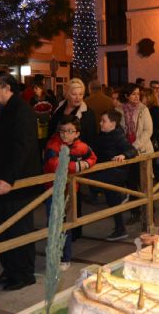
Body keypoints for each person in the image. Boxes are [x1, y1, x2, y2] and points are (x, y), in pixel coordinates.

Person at [0, 72, 41, 291]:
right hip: (3, 182)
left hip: (18, 183)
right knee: (5, 229)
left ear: (6, 88)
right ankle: (9, 270)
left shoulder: (21, 111)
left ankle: (24, 274)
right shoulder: (5, 110)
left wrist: (9, 178)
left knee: (19, 229)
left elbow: (22, 148)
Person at [44, 115, 96, 270]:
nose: (65, 135)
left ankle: (64, 257)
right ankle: (56, 255)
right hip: (53, 191)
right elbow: (55, 165)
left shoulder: (81, 146)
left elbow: (93, 157)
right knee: (55, 224)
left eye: (70, 131)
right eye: (62, 131)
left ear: (77, 133)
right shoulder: (53, 145)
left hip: (71, 191)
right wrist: (79, 166)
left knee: (67, 225)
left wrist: (84, 163)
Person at [47, 78, 95, 235]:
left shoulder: (87, 113)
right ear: (67, 93)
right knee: (56, 195)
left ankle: (74, 230)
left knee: (73, 195)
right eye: (74, 94)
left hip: (73, 158)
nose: (77, 97)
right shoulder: (60, 107)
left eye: (81, 94)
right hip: (55, 155)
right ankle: (58, 228)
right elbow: (52, 127)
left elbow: (89, 138)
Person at [91, 110, 138, 240]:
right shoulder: (104, 134)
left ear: (113, 123)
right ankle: (120, 228)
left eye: (103, 121)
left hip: (114, 174)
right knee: (112, 201)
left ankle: (120, 229)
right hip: (108, 173)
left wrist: (124, 155)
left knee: (113, 200)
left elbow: (132, 150)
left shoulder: (117, 135)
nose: (100, 123)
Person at [117, 83, 153, 225]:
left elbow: (148, 131)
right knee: (131, 184)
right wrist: (126, 148)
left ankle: (149, 213)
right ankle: (135, 212)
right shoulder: (120, 111)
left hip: (142, 151)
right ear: (126, 96)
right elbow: (120, 131)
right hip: (127, 152)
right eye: (133, 94)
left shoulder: (144, 110)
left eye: (138, 94)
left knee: (145, 183)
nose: (136, 97)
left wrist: (135, 146)